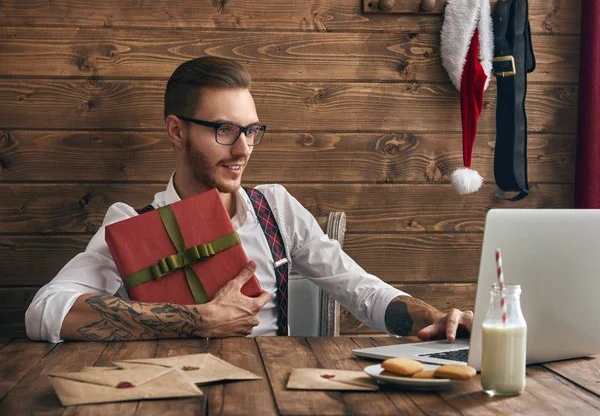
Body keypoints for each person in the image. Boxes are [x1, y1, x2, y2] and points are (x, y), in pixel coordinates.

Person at [25, 56, 473, 343]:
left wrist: (432, 317)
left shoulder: (274, 207)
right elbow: (46, 311)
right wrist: (194, 319)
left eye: (252, 131)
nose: (243, 150)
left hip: (274, 392)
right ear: (176, 131)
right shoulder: (131, 223)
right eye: (225, 131)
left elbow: (362, 291)